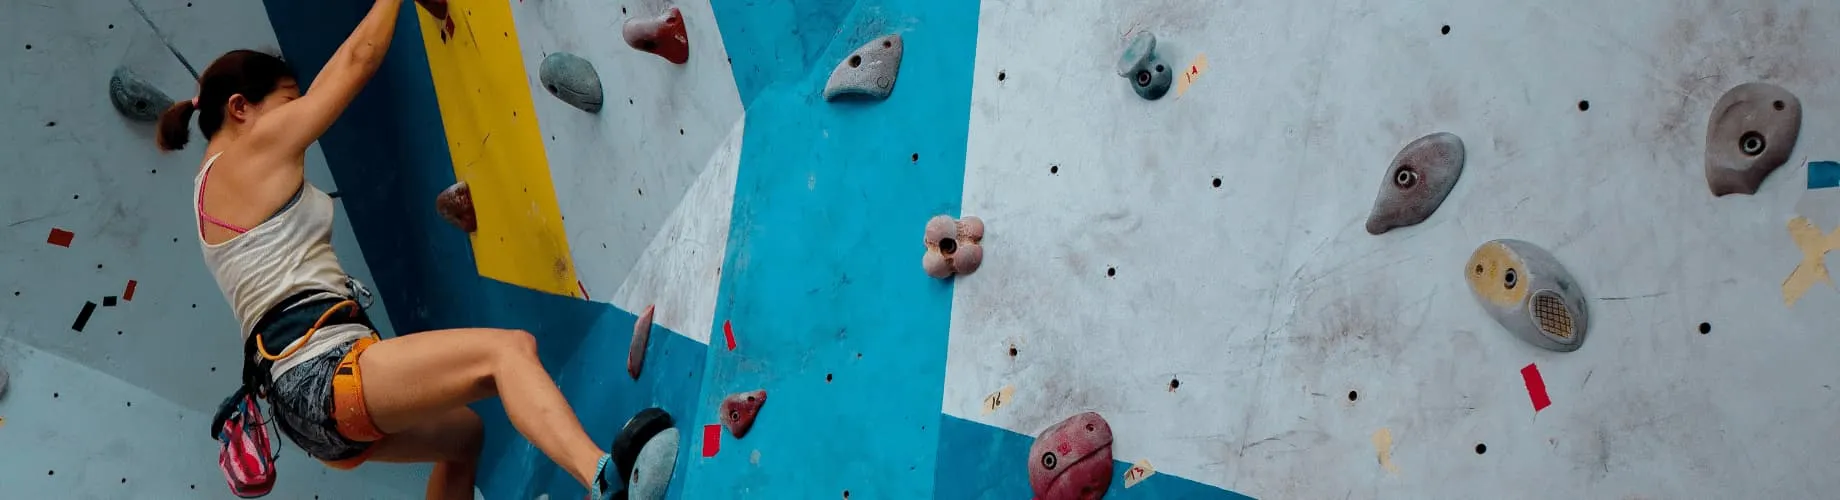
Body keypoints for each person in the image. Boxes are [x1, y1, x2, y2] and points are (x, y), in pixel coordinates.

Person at [155, 1, 624, 499]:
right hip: (325, 373)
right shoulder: (249, 149)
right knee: (508, 352)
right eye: (290, 102)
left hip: (298, 406)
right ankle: (602, 478)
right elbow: (358, 60)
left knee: (464, 436)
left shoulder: (208, 191)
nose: (299, 114)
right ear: (240, 108)